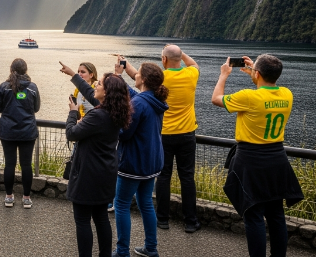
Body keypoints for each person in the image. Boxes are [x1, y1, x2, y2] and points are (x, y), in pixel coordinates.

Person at [211, 55, 303, 257]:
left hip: (252, 159)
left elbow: (216, 99)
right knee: (276, 214)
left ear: (258, 74)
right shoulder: (287, 94)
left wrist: (223, 75)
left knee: (253, 215)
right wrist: (257, 70)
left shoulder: (249, 97)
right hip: (277, 159)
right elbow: (270, 84)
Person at [60, 61, 132, 257]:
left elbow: (71, 133)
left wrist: (72, 113)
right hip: (106, 172)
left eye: (99, 84)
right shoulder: (115, 111)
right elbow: (91, 95)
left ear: (107, 92)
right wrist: (74, 75)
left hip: (88, 175)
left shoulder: (98, 116)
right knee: (101, 217)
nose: (96, 86)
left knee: (82, 220)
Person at [113, 60, 168, 257]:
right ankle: (151, 249)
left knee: (121, 204)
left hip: (134, 163)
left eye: (137, 74)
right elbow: (136, 95)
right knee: (145, 203)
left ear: (143, 79)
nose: (134, 75)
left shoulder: (138, 104)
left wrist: (112, 125)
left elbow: (124, 134)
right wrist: (119, 77)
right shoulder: (155, 100)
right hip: (152, 162)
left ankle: (121, 252)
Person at [153, 44, 200, 232]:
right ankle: (191, 221)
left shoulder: (161, 79)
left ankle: (162, 219)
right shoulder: (191, 75)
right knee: (187, 177)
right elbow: (194, 64)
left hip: (164, 135)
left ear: (163, 60)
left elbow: (138, 79)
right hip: (187, 134)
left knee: (163, 177)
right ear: (180, 59)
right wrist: (180, 54)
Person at [0, 58, 40, 209]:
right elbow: (36, 108)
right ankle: (26, 198)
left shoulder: (4, 87)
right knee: (26, 164)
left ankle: (9, 196)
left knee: (9, 164)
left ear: (11, 69)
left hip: (8, 130)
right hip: (28, 131)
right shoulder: (32, 87)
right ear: (26, 70)